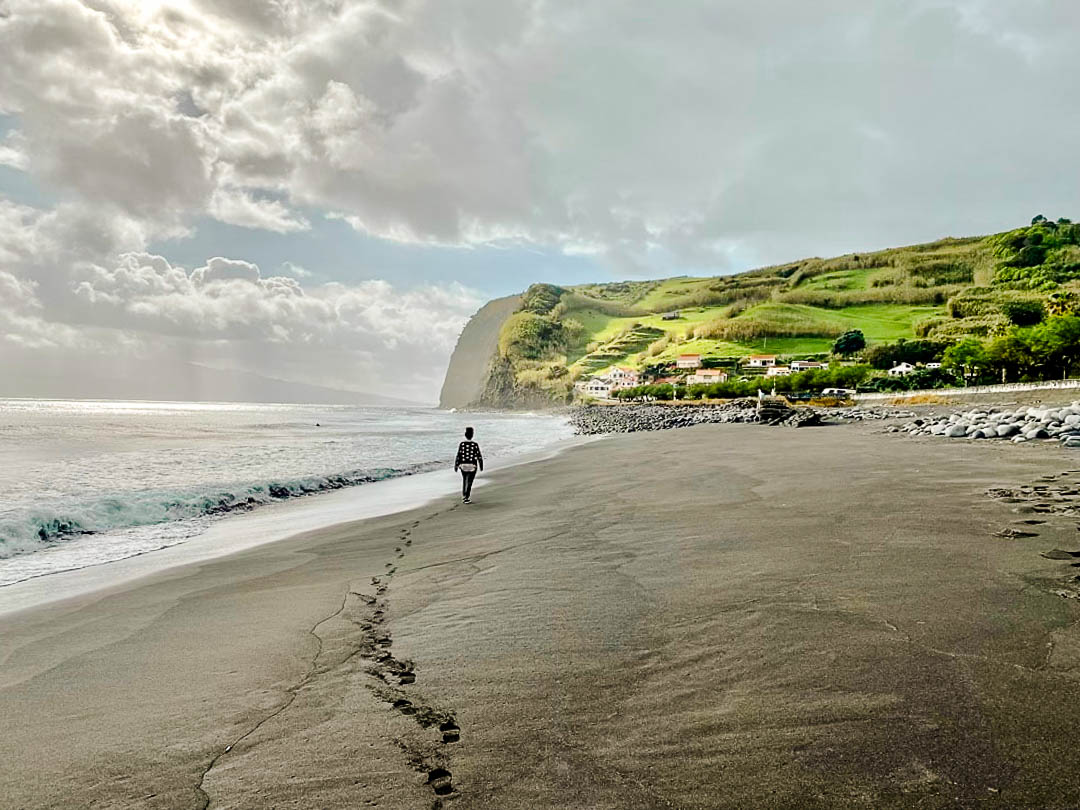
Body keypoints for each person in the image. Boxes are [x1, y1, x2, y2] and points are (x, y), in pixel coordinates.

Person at [454, 426, 484, 504]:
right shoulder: (475, 444)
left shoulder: (462, 444)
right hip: (472, 465)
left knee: (465, 480)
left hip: (463, 465)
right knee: (470, 481)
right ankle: (466, 497)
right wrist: (481, 465)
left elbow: (459, 455)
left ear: (465, 435)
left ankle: (464, 495)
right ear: (472, 435)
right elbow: (479, 455)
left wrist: (456, 466)